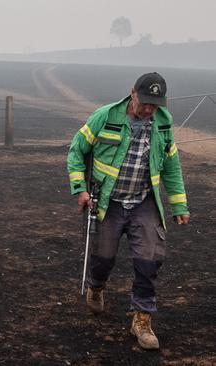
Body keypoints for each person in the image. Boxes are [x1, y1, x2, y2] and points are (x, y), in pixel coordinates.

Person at [67, 72, 190, 350]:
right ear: (132, 93)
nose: (148, 109)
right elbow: (76, 151)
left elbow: (171, 167)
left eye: (154, 104)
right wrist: (80, 188)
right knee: (103, 258)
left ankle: (142, 319)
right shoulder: (105, 116)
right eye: (145, 102)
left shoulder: (163, 124)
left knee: (149, 261)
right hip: (107, 202)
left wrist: (179, 204)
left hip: (145, 201)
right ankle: (96, 286)